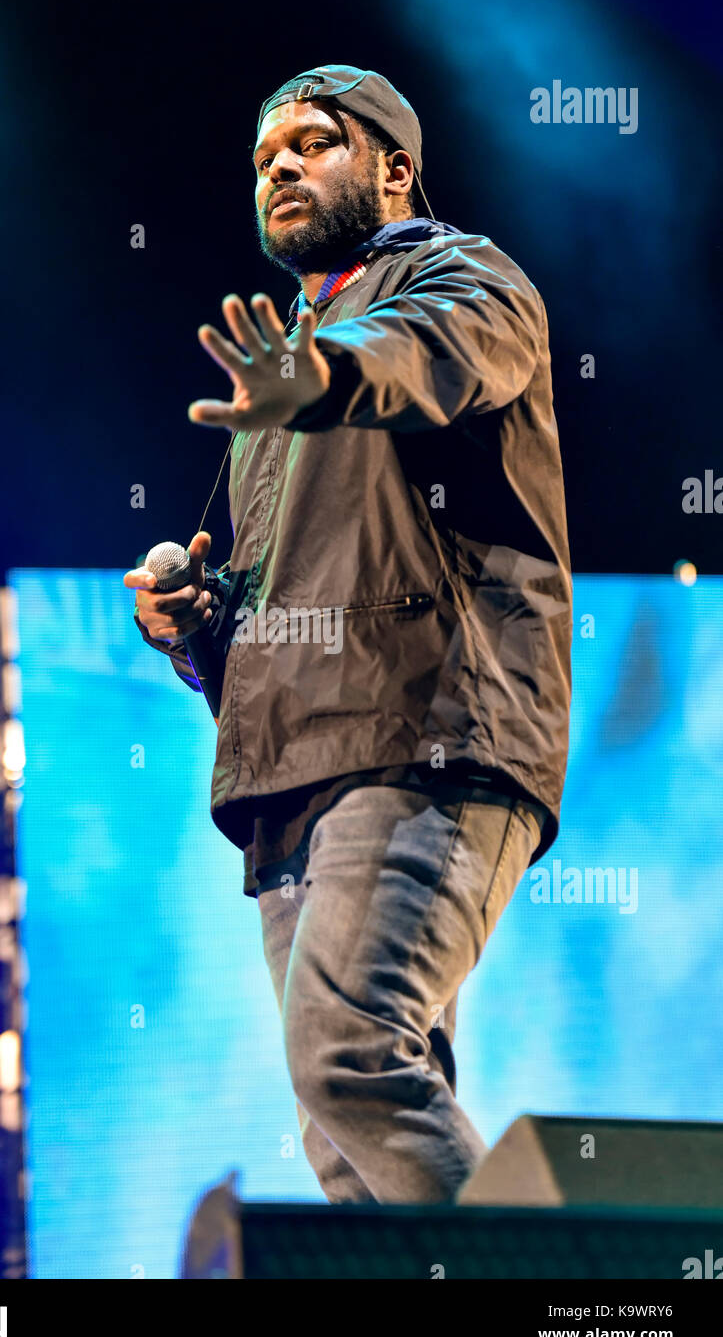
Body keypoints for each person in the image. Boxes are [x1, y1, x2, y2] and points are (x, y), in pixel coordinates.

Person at [124, 65, 572, 1204]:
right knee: (347, 1143)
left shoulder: (463, 279)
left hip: (424, 735)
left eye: (313, 142)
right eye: (265, 153)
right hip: (297, 774)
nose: (279, 163)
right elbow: (268, 615)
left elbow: (426, 357)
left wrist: (326, 373)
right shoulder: (282, 380)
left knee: (349, 1056)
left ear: (392, 167)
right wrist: (192, 625)